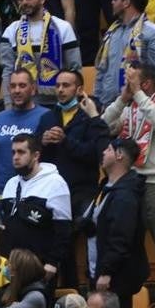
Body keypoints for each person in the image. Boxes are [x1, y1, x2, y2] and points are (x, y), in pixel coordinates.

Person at [99, 60, 155, 277]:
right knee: (125, 230)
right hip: (130, 178)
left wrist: (138, 97)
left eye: (131, 80)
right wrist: (122, 100)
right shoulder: (128, 109)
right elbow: (102, 127)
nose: (127, 84)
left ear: (146, 83)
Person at [78, 139, 148, 308]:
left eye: (108, 149)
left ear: (119, 155)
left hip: (115, 278)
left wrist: (107, 272)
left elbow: (121, 237)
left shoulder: (125, 195)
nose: (103, 153)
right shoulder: (106, 188)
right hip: (98, 271)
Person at [0, 135, 72, 285]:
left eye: (21, 152)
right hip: (11, 266)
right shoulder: (11, 183)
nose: (16, 157)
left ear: (36, 155)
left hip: (40, 267)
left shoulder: (55, 183)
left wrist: (52, 263)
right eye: (13, 152)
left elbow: (64, 230)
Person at [38, 68, 108, 217]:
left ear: (79, 89)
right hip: (53, 191)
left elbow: (94, 153)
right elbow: (38, 160)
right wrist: (42, 143)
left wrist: (65, 141)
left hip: (82, 191)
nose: (60, 90)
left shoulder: (90, 115)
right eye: (57, 86)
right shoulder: (47, 117)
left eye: (66, 85)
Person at [0, 69, 52, 202]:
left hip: (36, 195)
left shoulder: (46, 116)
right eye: (13, 86)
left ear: (33, 89)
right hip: (3, 195)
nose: (16, 90)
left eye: (22, 86)